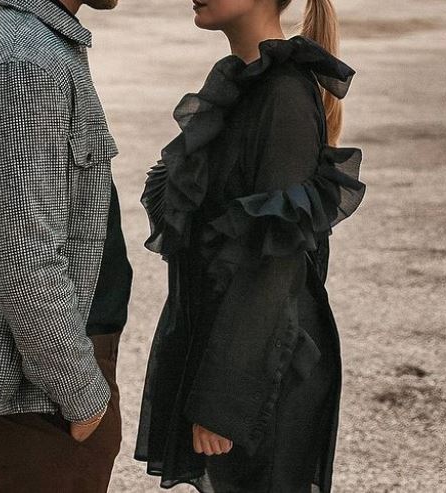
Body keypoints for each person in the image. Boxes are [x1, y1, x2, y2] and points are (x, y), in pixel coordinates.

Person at [135, 0, 365, 491]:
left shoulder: (283, 95)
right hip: (232, 350)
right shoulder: (244, 86)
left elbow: (274, 263)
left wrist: (224, 401)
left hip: (263, 370)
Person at [0, 0, 132, 491]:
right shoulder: (23, 60)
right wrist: (80, 393)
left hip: (45, 373)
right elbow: (23, 257)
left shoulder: (21, 38)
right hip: (44, 383)